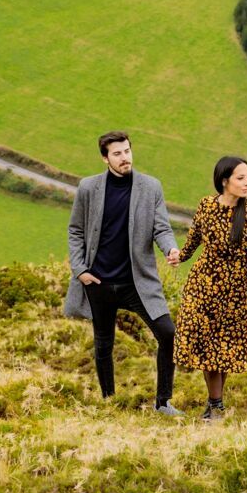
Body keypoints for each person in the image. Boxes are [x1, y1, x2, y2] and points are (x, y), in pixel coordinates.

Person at [63, 131, 185, 415]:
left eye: (127, 151)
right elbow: (75, 230)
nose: (124, 157)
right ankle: (109, 401)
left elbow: (162, 228)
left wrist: (170, 249)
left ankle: (163, 403)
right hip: (99, 281)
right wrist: (80, 270)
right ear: (105, 158)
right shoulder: (88, 188)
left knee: (168, 334)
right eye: (117, 153)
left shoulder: (151, 187)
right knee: (103, 344)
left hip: (137, 283)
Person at [173, 155, 247, 421]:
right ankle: (216, 405)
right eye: (241, 178)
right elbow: (194, 239)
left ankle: (215, 404)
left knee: (223, 351)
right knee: (207, 347)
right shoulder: (206, 205)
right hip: (202, 288)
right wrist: (180, 256)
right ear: (224, 181)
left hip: (235, 294)